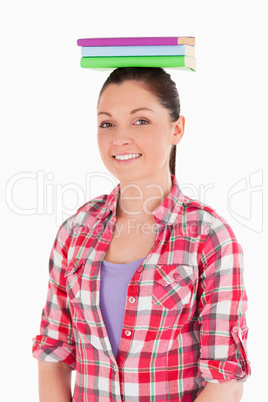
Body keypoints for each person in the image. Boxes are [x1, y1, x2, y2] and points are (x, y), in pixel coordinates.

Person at [32, 67, 251, 401]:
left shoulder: (208, 238)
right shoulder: (75, 232)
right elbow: (54, 354)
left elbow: (226, 378)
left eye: (141, 121)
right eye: (107, 123)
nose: (120, 138)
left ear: (177, 129)